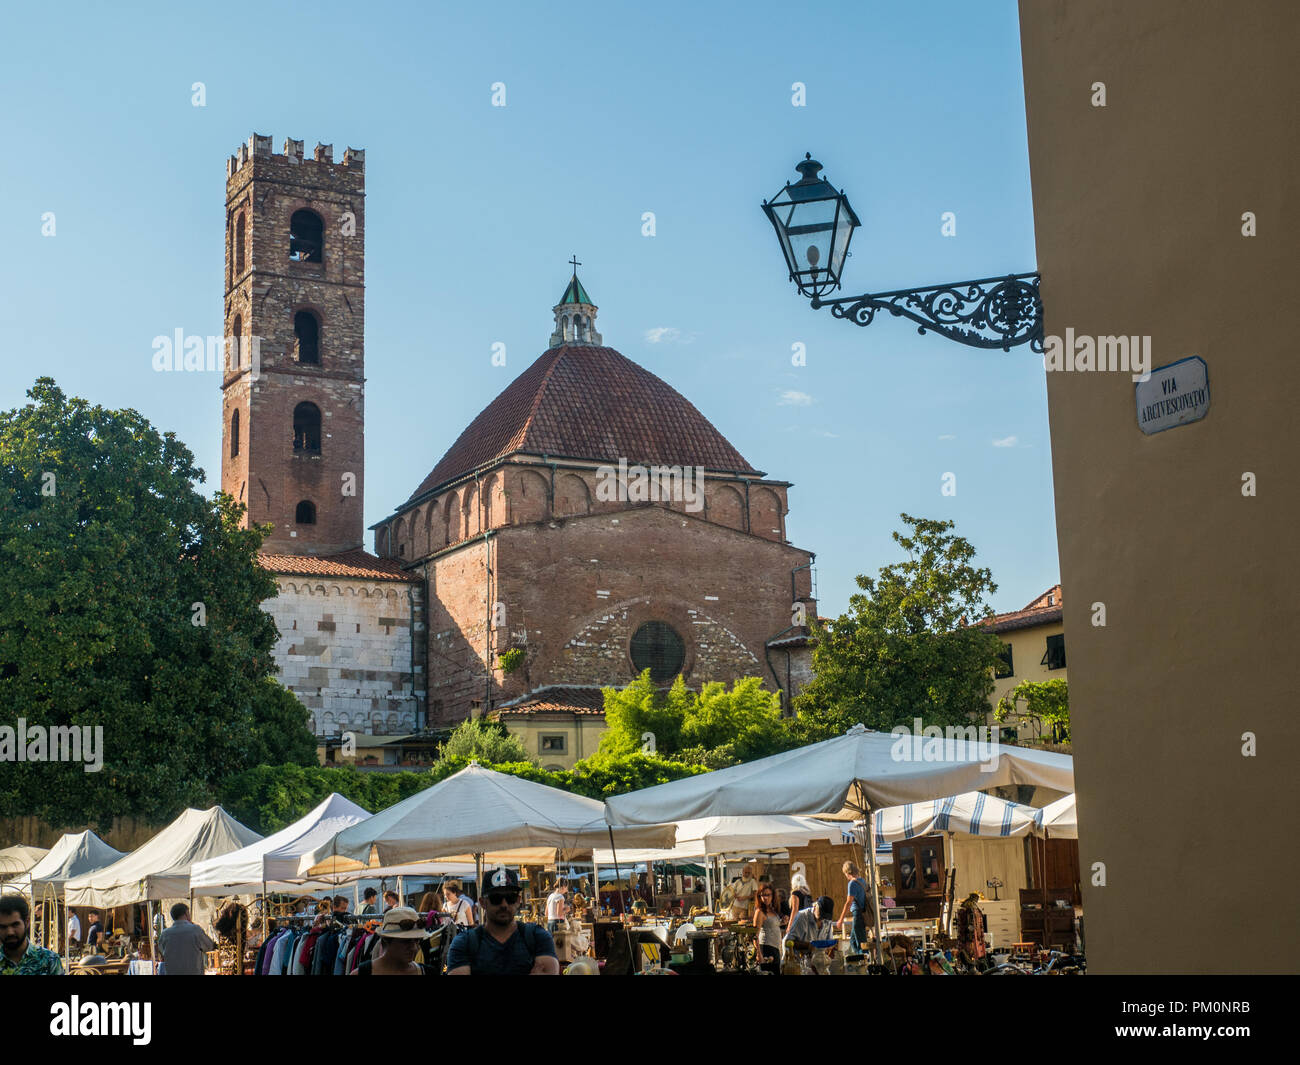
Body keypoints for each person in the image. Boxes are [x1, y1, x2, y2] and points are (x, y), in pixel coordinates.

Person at [446, 868, 559, 975]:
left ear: (518, 901)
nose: (504, 904)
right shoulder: (464, 942)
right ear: (482, 903)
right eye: (496, 898)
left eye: (510, 898)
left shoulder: (538, 936)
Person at [350, 907, 435, 975]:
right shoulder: (362, 973)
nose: (414, 948)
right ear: (387, 940)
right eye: (406, 941)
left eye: (417, 941)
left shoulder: (428, 972)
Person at [0, 895, 62, 975]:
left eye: (15, 925)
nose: (10, 932)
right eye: (3, 927)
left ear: (27, 922)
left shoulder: (49, 960)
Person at [156, 902, 215, 976]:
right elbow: (209, 946)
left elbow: (162, 950)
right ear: (186, 913)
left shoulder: (165, 934)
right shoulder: (195, 930)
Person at [837, 861, 871, 955]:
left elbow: (848, 903)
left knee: (861, 942)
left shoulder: (852, 883)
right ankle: (860, 958)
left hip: (858, 913)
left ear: (848, 872)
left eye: (845, 874)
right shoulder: (862, 881)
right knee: (853, 941)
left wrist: (841, 919)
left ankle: (864, 961)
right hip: (863, 913)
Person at [752, 883, 782, 975]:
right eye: (763, 895)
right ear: (759, 896)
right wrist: (758, 954)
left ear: (772, 896)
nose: (766, 898)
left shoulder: (773, 910)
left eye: (768, 895)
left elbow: (772, 925)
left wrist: (783, 921)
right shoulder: (759, 912)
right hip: (766, 947)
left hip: (776, 948)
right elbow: (754, 934)